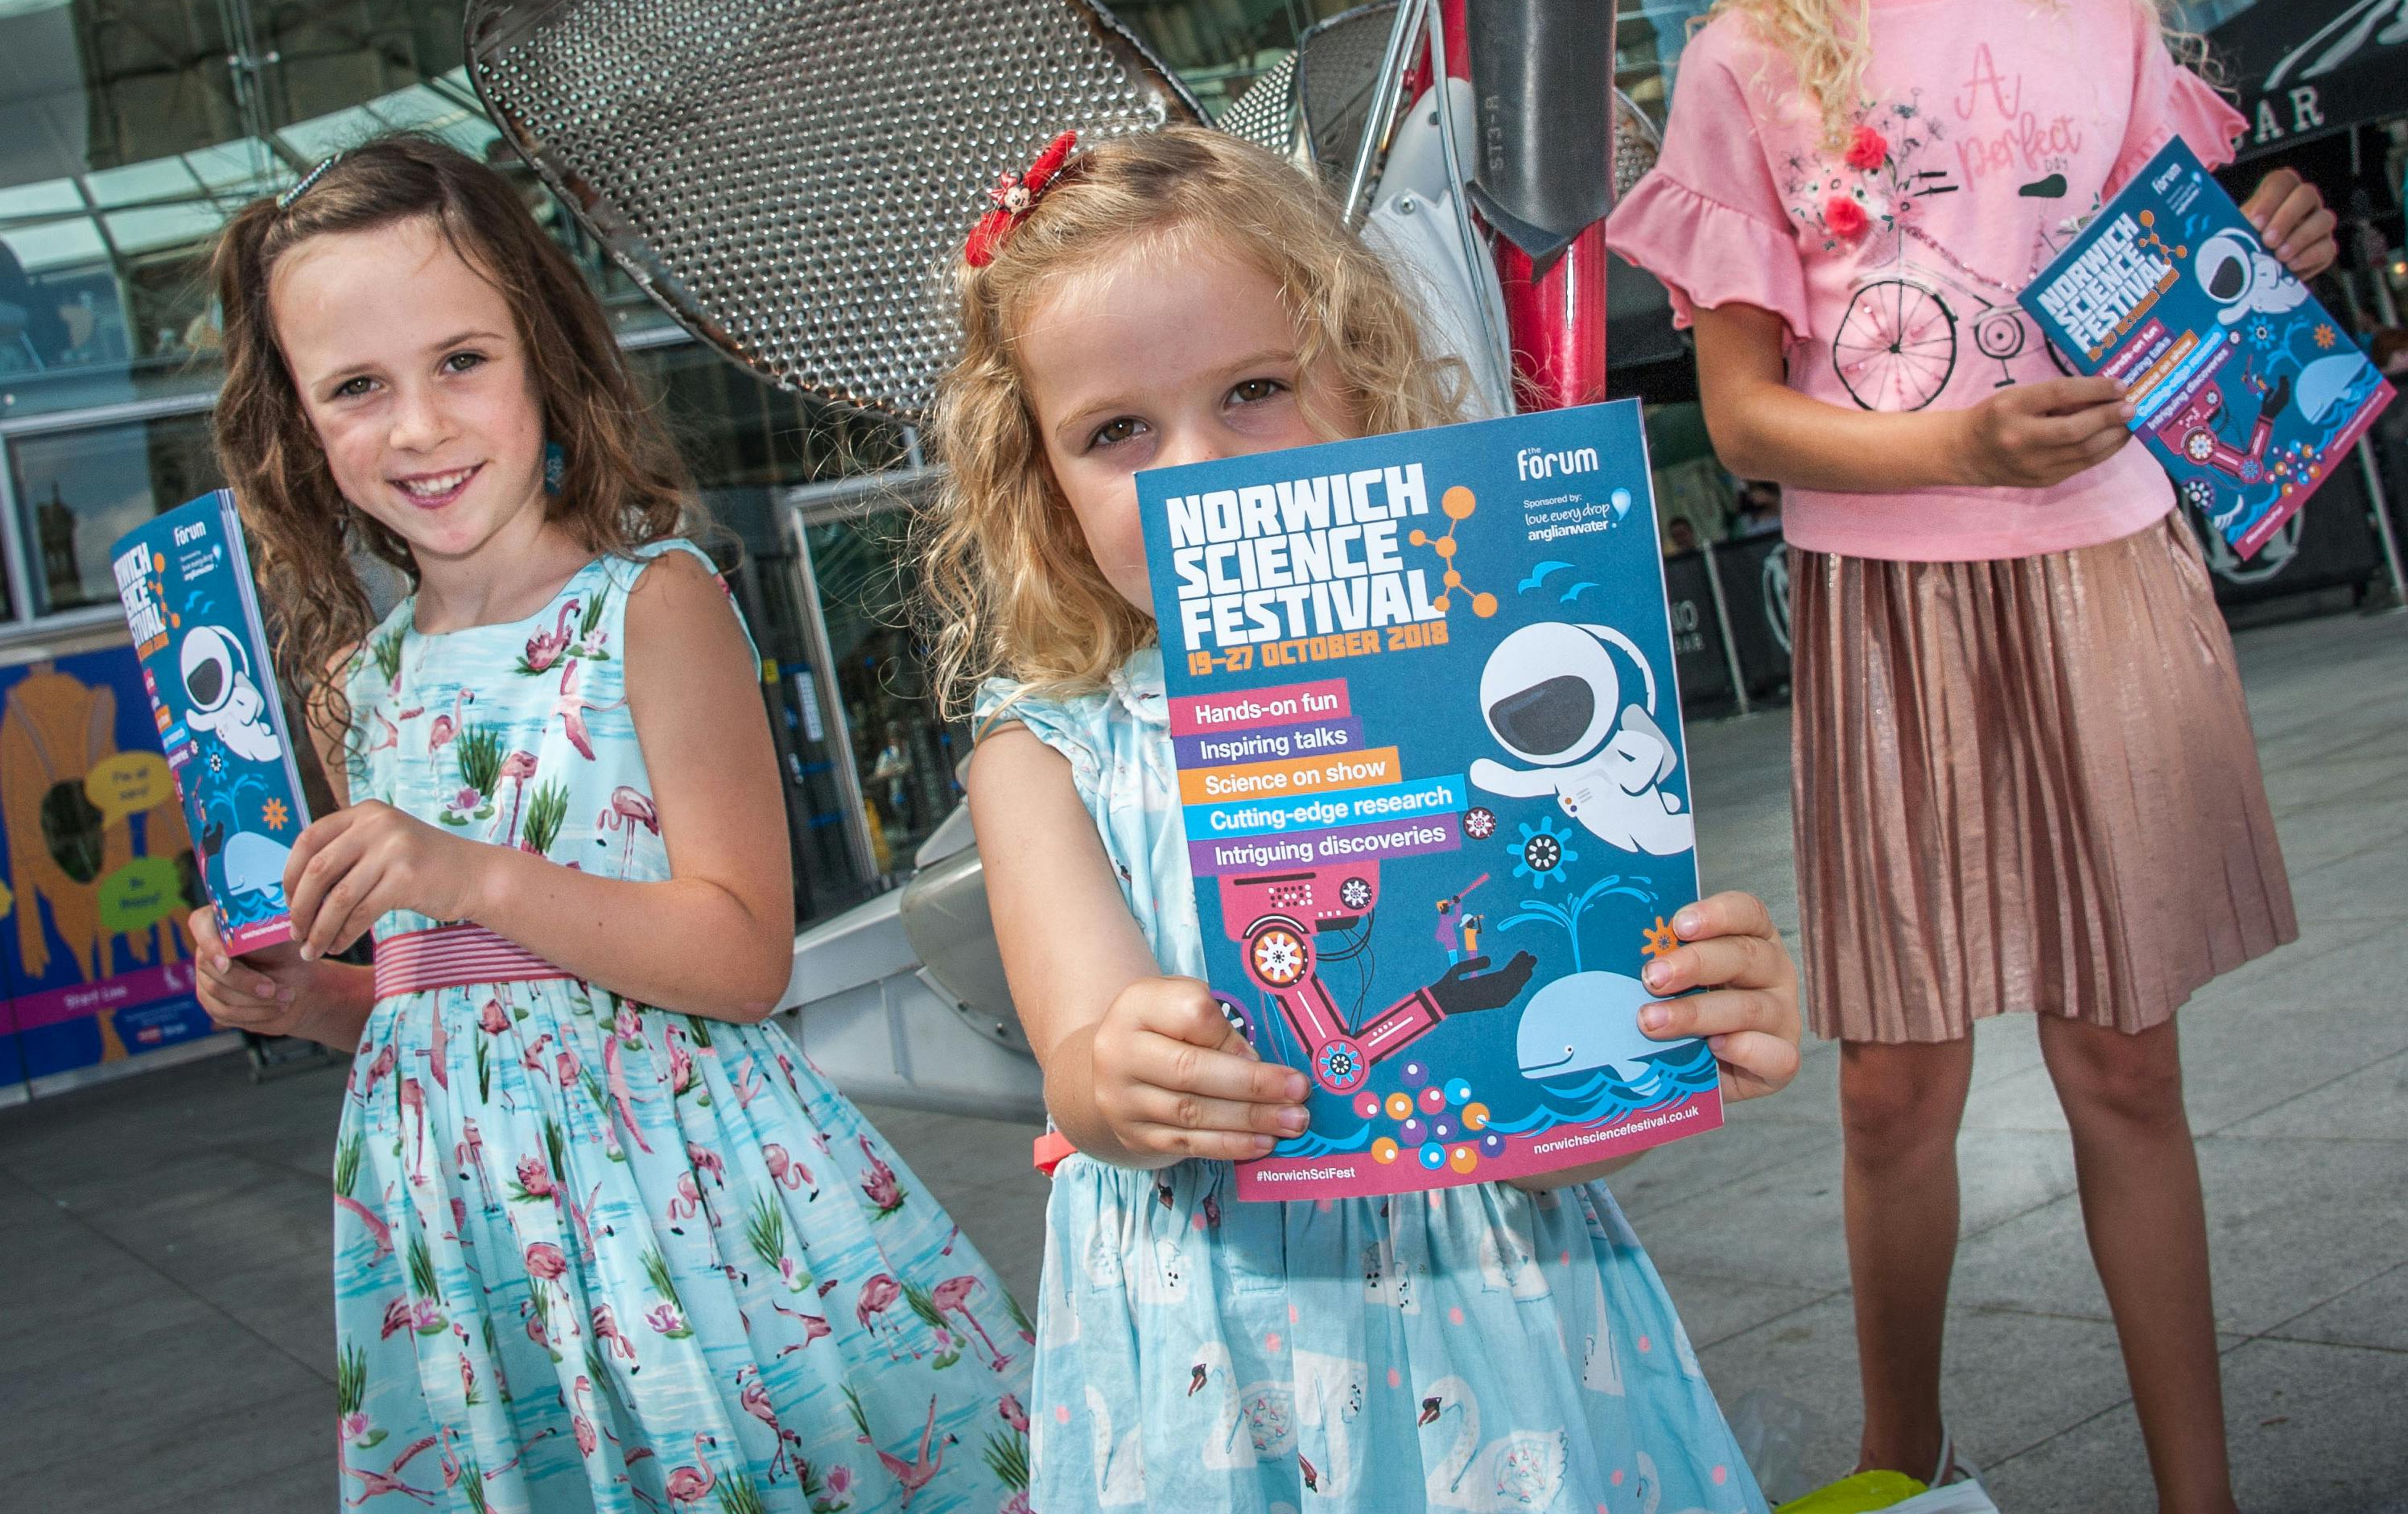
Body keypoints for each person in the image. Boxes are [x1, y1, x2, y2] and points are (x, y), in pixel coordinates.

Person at [1606, 0, 2335, 1514]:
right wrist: (1959, 445)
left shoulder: (2093, 11)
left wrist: (2262, 261)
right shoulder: (1745, 61)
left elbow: (2178, 311)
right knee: (1893, 1085)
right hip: (1891, 610)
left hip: (2106, 575)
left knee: (2123, 1066)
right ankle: (1898, 1471)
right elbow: (1742, 419)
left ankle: (2198, 1500)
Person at [928, 126, 1804, 1514]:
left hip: (1504, 1317)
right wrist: (1125, 1079)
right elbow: (1079, 1067)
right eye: (1117, 433)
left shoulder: (1476, 691)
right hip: (1226, 1350)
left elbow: (1556, 1112)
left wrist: (1680, 1033)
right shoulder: (1046, 752)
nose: (1197, 470)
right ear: (1044, 484)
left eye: (1254, 390)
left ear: (1360, 381)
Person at [186, 135, 1032, 1512]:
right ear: (298, 423)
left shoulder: (652, 607)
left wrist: (469, 871)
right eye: (356, 387)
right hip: (471, 1241)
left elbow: (741, 958)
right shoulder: (358, 687)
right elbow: (442, 1006)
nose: (419, 425)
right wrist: (307, 998)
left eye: (462, 360)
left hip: (689, 1222)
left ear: (543, 354)